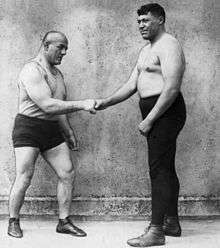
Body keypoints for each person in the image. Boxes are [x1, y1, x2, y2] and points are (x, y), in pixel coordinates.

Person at [95, 3, 186, 247]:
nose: (141, 25)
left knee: (158, 170)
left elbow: (172, 88)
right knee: (165, 167)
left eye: (145, 20)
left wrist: (149, 119)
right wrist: (106, 102)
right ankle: (171, 222)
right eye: (138, 22)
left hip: (165, 111)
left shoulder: (169, 45)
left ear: (160, 19)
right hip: (156, 112)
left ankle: (156, 231)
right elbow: (131, 84)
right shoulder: (146, 50)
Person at [8, 31, 96, 238]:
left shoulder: (57, 74)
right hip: (28, 128)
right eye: (60, 47)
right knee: (25, 176)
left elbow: (59, 108)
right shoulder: (31, 70)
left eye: (66, 48)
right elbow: (47, 105)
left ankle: (64, 221)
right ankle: (13, 220)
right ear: (46, 46)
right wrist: (82, 104)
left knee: (67, 172)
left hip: (50, 129)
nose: (64, 52)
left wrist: (68, 132)